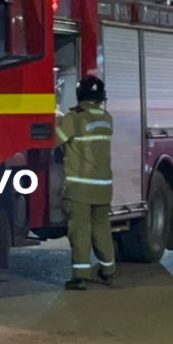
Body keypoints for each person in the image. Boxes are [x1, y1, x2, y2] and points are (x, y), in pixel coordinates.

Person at [56, 74, 116, 291]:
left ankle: (80, 276)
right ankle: (108, 271)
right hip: (103, 187)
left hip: (80, 187)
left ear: (80, 94)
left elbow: (55, 139)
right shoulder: (106, 118)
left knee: (80, 229)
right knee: (101, 227)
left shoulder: (74, 118)